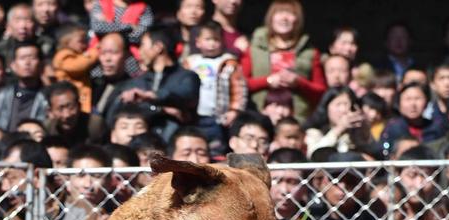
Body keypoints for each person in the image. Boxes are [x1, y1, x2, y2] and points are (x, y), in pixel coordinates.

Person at [242, 0, 325, 123]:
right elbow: (241, 84)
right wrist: (268, 81)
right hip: (260, 119)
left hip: (298, 122)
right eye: (279, 13)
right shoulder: (254, 48)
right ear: (271, 18)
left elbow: (321, 91)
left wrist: (298, 82)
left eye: (290, 13)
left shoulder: (310, 52)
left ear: (298, 20)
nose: (284, 18)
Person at [117, 25, 200, 140]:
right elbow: (129, 109)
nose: (139, 52)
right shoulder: (138, 81)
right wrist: (162, 110)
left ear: (158, 47)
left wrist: (150, 96)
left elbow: (185, 96)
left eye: (142, 45)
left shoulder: (187, 77)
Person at [183, 20, 247, 152]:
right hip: (195, 116)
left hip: (218, 116)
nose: (212, 44)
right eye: (207, 39)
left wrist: (234, 110)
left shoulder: (228, 62)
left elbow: (239, 88)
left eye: (216, 40)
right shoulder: (190, 62)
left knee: (216, 148)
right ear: (198, 42)